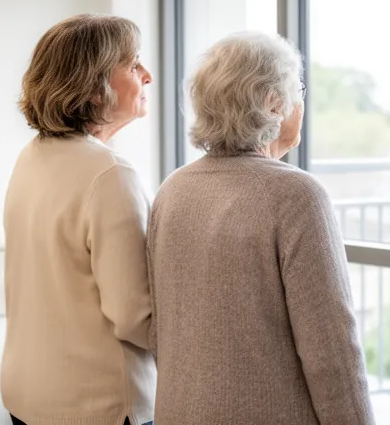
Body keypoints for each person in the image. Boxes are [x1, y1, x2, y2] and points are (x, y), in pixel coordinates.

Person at [146, 31, 375, 424]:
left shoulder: (174, 189)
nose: (300, 102)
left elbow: (162, 329)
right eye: (297, 89)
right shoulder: (296, 195)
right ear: (274, 103)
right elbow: (332, 351)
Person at [2, 14, 156, 425]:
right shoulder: (109, 175)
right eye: (133, 64)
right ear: (93, 89)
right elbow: (134, 317)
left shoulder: (33, 156)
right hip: (97, 406)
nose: (147, 75)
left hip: (28, 395)